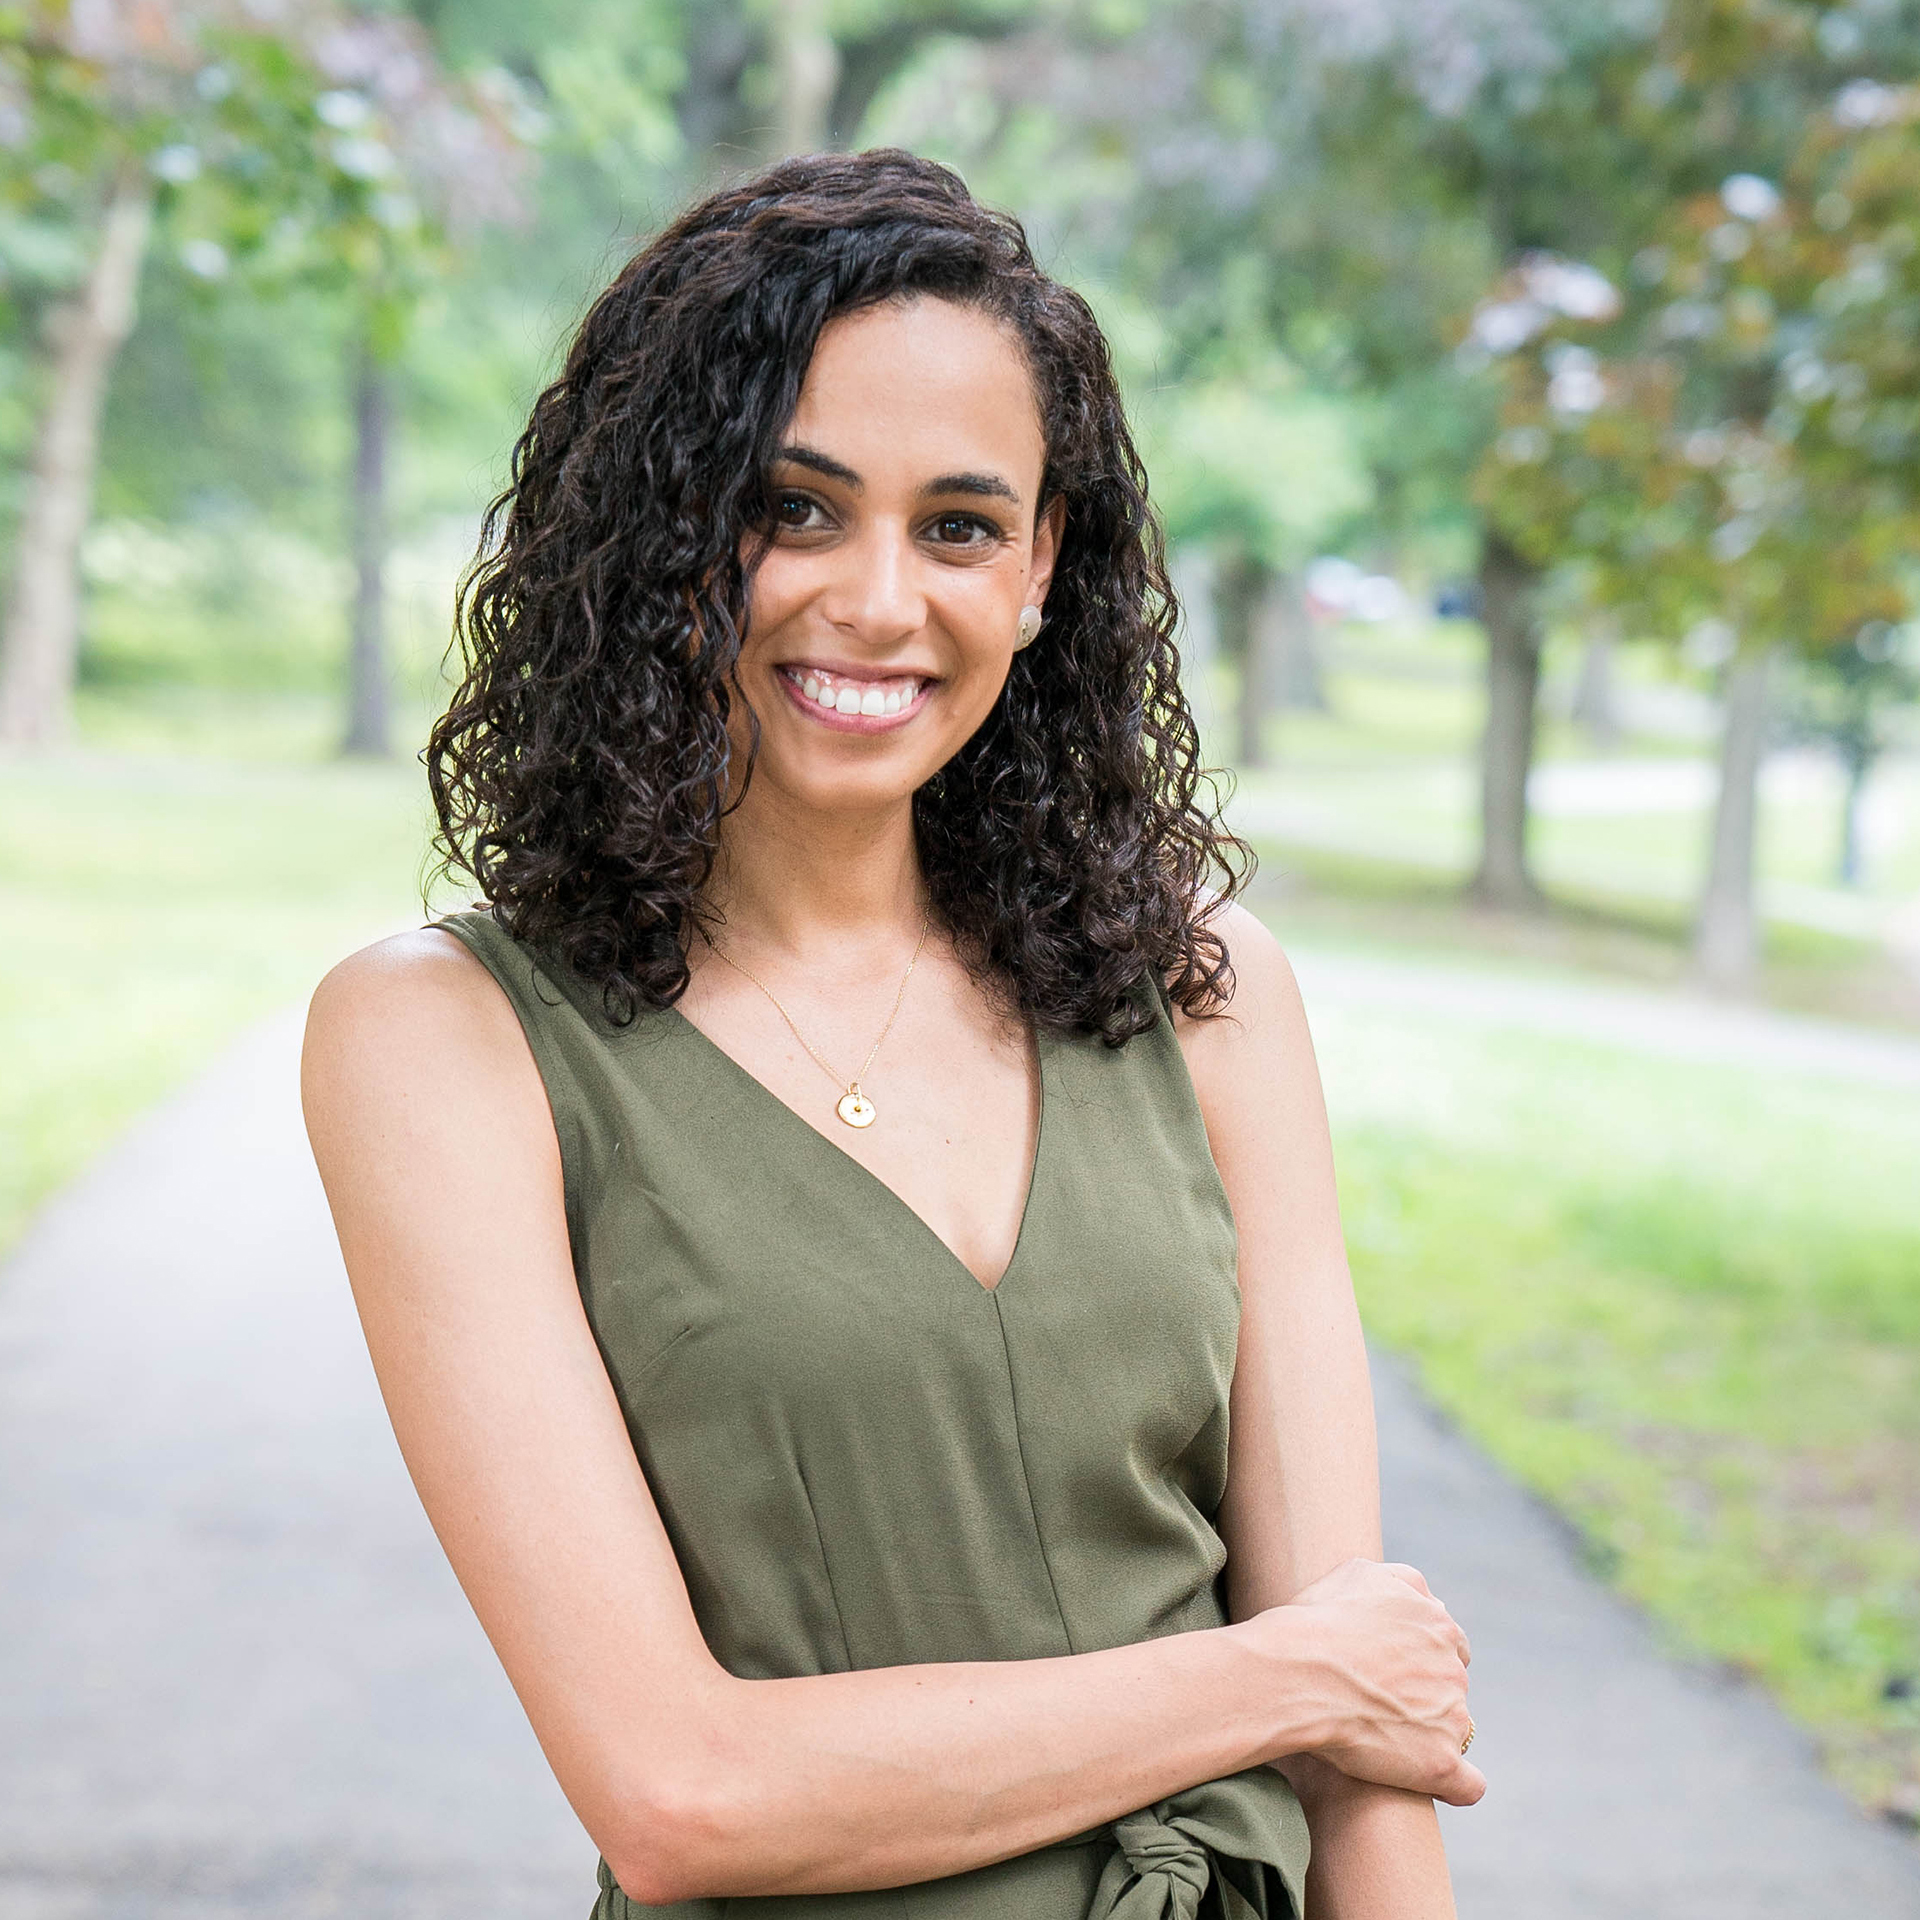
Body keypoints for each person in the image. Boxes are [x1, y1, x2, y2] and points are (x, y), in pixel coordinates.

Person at [301, 149, 1483, 1920]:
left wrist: (1335, 1692)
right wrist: (1281, 1678)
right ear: (659, 536)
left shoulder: (1205, 991)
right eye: (793, 508)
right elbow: (681, 1790)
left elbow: (1375, 1780)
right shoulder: (446, 1042)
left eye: (957, 525)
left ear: (1039, 567)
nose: (877, 599)